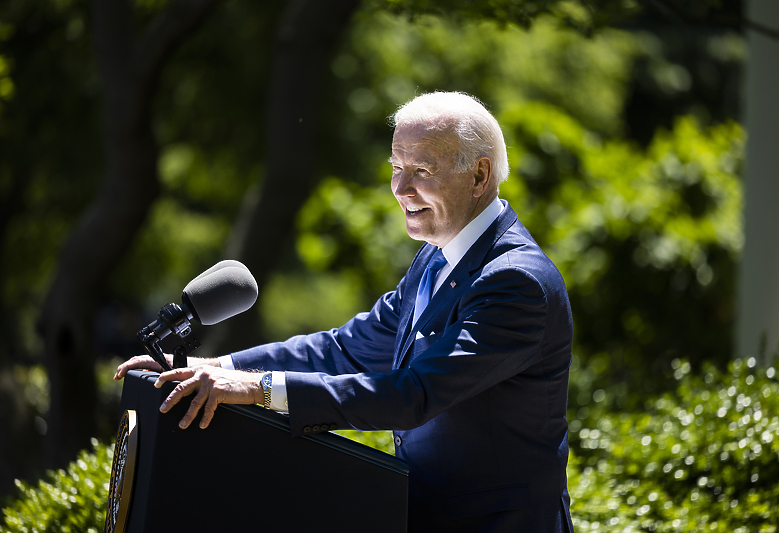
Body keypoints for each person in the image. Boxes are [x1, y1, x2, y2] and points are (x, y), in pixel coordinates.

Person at [115, 91, 575, 532]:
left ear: (479, 175)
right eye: (396, 167)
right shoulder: (437, 256)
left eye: (422, 169)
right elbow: (347, 349)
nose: (400, 187)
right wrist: (218, 367)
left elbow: (412, 394)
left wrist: (256, 388)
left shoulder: (516, 282)